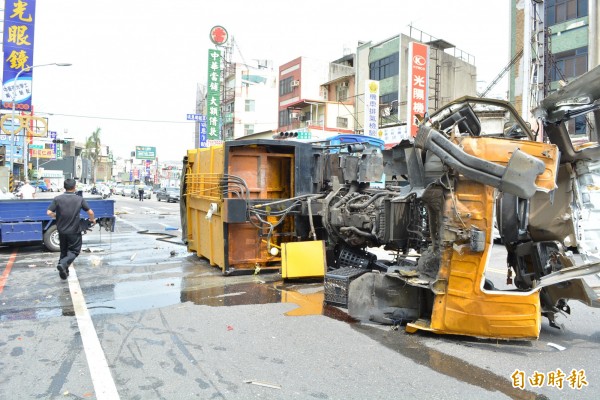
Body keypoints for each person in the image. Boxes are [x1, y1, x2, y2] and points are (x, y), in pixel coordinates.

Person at [46, 178, 95, 280]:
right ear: (74, 187)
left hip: (61, 230)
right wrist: (92, 220)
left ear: (64, 187)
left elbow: (49, 212)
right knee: (74, 251)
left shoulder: (57, 198)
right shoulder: (79, 199)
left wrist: (57, 216)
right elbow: (90, 212)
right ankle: (63, 264)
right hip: (74, 231)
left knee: (64, 251)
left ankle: (64, 271)